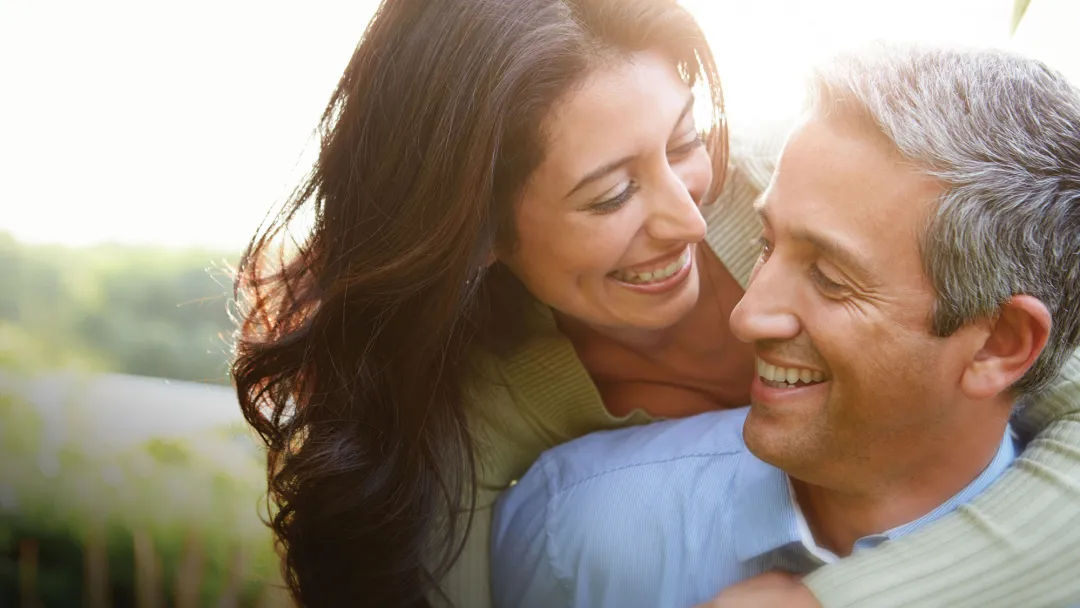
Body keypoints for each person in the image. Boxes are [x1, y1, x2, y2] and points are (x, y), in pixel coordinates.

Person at [227, 0, 1080, 605]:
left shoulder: (822, 192)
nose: (686, 216)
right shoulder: (480, 403)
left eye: (683, 143)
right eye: (609, 197)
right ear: (478, 230)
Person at [490, 42, 1080, 608]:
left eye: (828, 276)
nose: (745, 316)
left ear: (1000, 344)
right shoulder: (569, 529)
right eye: (764, 243)